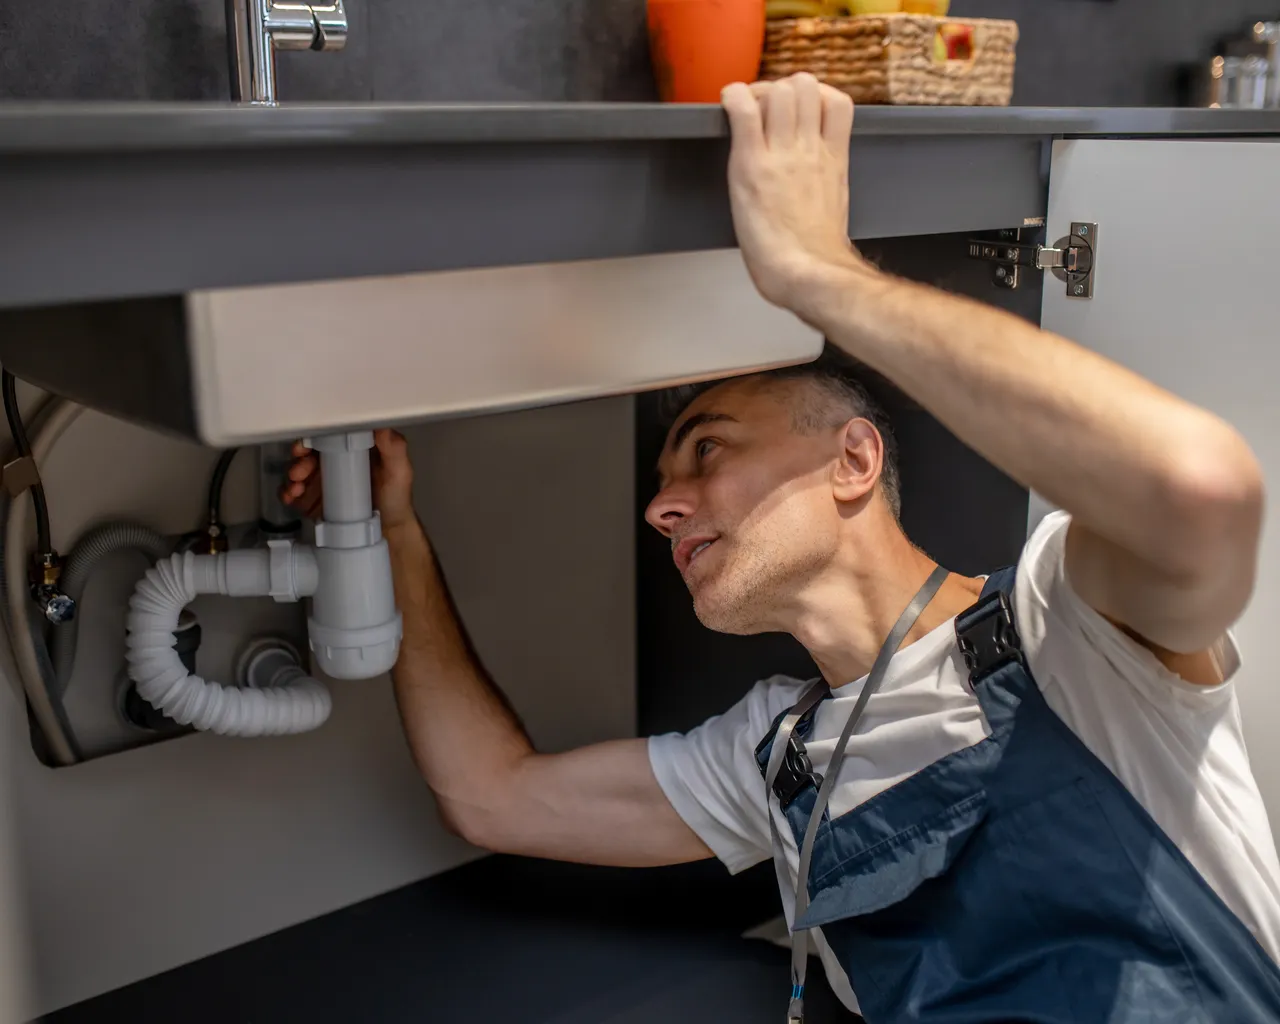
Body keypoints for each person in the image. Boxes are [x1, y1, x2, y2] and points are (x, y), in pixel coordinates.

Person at [284, 75, 1280, 1022]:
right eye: (663, 481)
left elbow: (1197, 487)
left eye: (704, 449)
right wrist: (393, 532)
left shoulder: (1067, 631)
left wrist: (815, 273)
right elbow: (489, 795)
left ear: (852, 461)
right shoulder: (779, 760)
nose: (660, 508)